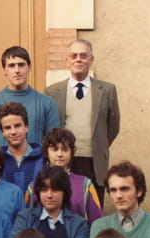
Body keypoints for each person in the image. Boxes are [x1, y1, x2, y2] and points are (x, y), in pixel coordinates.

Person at [45, 39, 120, 206]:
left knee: (93, 208)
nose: (78, 59)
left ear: (91, 60)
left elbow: (113, 126)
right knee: (64, 207)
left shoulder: (107, 91)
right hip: (64, 161)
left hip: (94, 162)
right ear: (67, 60)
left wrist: (99, 144)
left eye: (83, 56)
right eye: (73, 56)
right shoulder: (52, 92)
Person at [0, 45, 59, 146]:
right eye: (11, 66)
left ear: (29, 67)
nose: (17, 70)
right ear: (4, 70)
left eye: (21, 65)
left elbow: (54, 143)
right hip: (1, 156)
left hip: (37, 156)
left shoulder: (46, 103)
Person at [27, 127, 103, 225]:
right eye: (55, 149)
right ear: (47, 152)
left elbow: (98, 223)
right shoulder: (33, 187)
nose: (59, 154)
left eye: (65, 149)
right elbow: (27, 223)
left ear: (71, 153)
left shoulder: (85, 185)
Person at [0, 102, 44, 194]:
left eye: (17, 126)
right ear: (3, 132)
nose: (13, 132)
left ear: (26, 127)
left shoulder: (43, 157)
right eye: (7, 128)